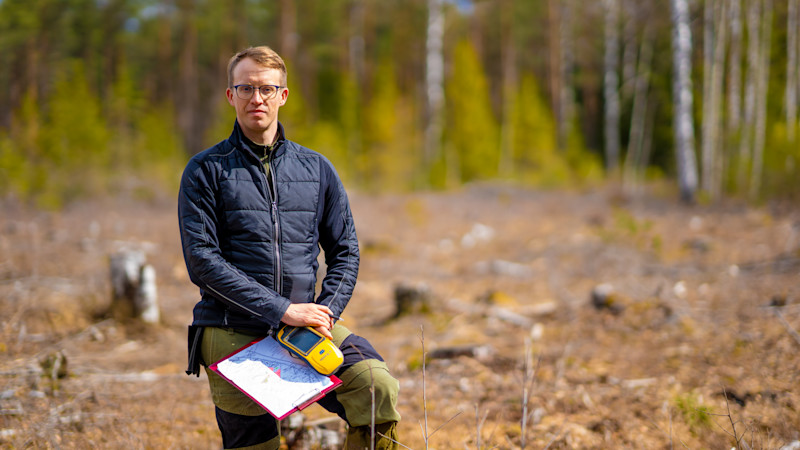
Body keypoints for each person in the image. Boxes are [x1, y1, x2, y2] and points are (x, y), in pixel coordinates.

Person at [179, 45, 401, 450]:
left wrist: (327, 312)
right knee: (255, 444)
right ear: (231, 96)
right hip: (232, 327)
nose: (256, 98)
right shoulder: (205, 170)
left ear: (283, 95)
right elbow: (202, 261)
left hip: (306, 329)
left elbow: (346, 250)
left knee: (376, 389)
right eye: (245, 88)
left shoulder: (316, 168)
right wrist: (282, 310)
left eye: (266, 89)